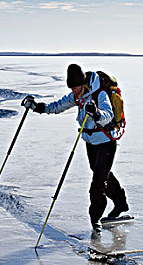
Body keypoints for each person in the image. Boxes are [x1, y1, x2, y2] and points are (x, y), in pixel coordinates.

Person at [22, 64, 129, 233]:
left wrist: (96, 113)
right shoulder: (77, 95)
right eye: (71, 88)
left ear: (83, 83)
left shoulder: (100, 93)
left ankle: (95, 219)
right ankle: (121, 203)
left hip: (106, 140)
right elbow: (57, 106)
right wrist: (37, 107)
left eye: (75, 87)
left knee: (98, 182)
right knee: (102, 174)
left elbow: (107, 115)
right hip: (90, 140)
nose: (73, 91)